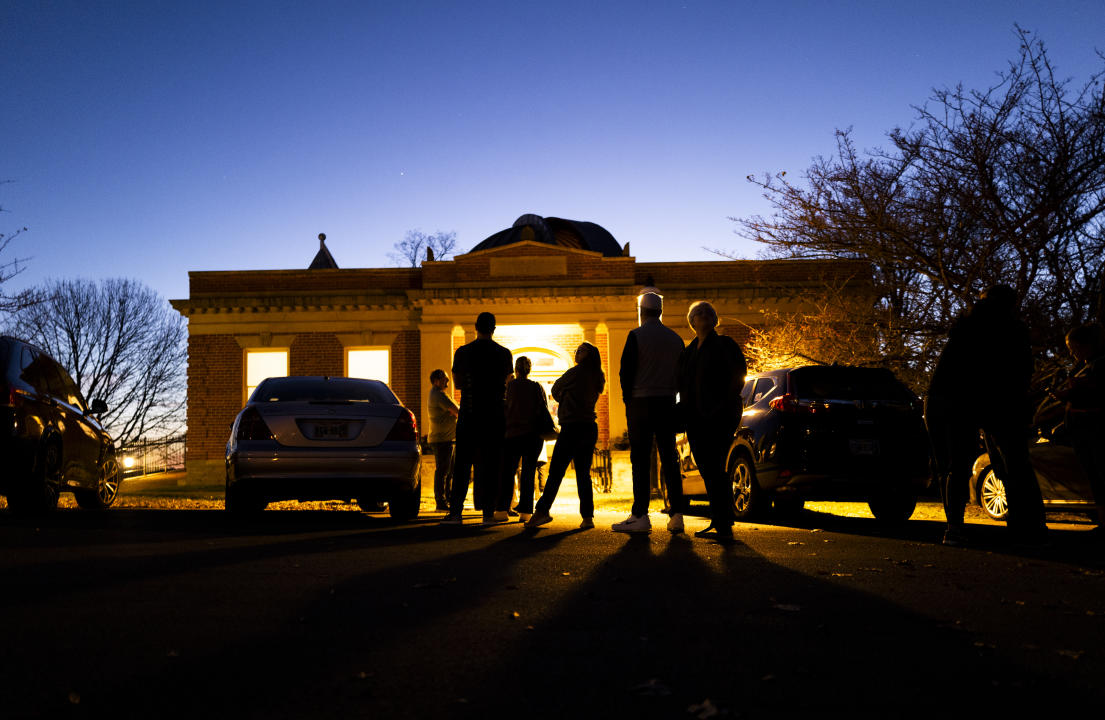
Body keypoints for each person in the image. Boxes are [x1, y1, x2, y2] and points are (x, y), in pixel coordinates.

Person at [926, 284, 1046, 546]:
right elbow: (1021, 370)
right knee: (1014, 463)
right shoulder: (1012, 330)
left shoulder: (965, 328)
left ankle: (955, 529)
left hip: (955, 398)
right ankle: (1028, 527)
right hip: (988, 398)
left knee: (957, 467)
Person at [613, 290, 686, 534]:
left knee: (640, 460)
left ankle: (640, 515)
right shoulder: (676, 340)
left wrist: (628, 399)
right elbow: (682, 376)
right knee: (670, 458)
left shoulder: (635, 336)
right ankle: (676, 514)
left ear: (641, 311)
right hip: (666, 401)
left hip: (640, 403)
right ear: (660, 311)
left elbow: (625, 372)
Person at [677, 301, 746, 542]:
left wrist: (723, 406)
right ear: (692, 322)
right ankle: (718, 519)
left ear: (714, 320)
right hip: (695, 419)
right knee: (706, 468)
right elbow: (682, 385)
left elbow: (738, 377)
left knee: (717, 467)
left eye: (708, 313)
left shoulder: (725, 345)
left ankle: (724, 522)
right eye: (699, 313)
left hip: (720, 416)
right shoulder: (689, 352)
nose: (704, 316)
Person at [440, 312, 514, 526]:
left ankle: (456, 513)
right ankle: (488, 514)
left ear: (476, 327)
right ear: (494, 329)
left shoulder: (463, 352)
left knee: (462, 465)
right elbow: (506, 383)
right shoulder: (503, 353)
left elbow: (458, 383)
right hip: (494, 415)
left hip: (470, 413)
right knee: (491, 465)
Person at [527, 342, 605, 529]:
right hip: (589, 426)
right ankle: (587, 517)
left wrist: (564, 398)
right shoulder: (597, 375)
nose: (576, 353)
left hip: (572, 426)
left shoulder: (576, 372)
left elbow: (555, 388)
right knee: (583, 474)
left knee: (556, 472)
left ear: (589, 354)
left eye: (580, 350)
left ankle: (542, 512)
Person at [1058, 322, 1105, 531]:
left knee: (1100, 475)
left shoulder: (1099, 366)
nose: (1072, 352)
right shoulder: (1083, 366)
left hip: (1094, 429)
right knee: (1094, 477)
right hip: (1081, 430)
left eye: (1074, 347)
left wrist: (1074, 392)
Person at [501, 356, 548, 523]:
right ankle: (526, 513)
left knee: (508, 472)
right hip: (532, 435)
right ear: (529, 369)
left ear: (516, 369)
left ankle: (502, 510)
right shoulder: (536, 387)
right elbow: (543, 408)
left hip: (512, 434)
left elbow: (504, 408)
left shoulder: (509, 386)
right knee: (528, 473)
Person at [427, 369, 459, 512]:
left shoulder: (440, 394)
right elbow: (457, 410)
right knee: (443, 471)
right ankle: (440, 501)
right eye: (445, 378)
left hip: (446, 438)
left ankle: (447, 499)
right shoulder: (438, 395)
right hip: (442, 439)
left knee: (448, 471)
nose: (448, 381)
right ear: (436, 380)